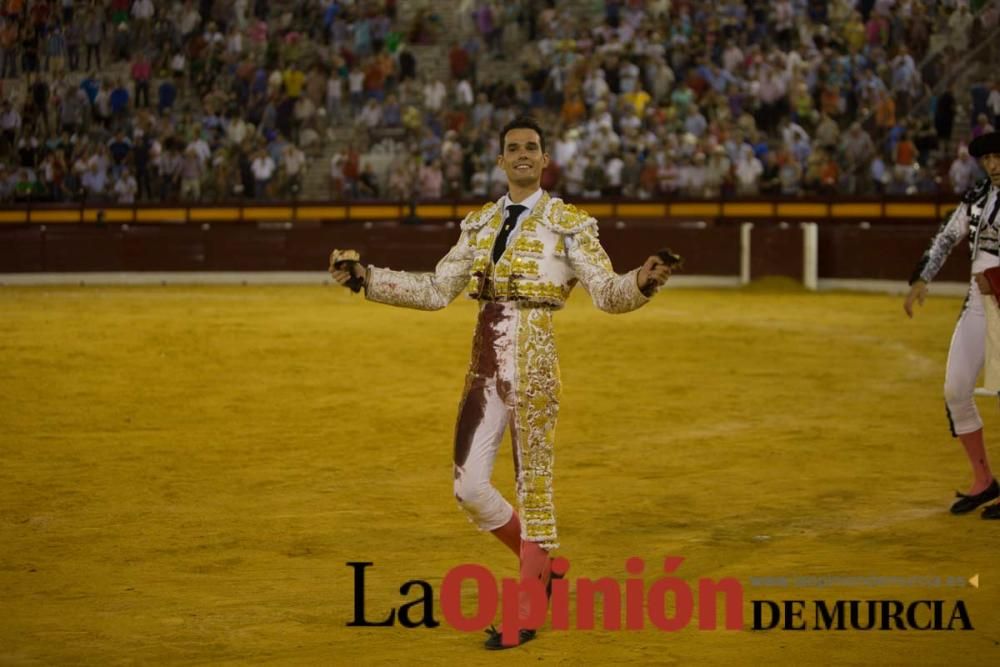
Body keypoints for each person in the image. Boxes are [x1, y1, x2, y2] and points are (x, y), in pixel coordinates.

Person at [329, 117, 672, 648]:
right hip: (484, 356)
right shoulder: (481, 223)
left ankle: (528, 611)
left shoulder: (568, 223)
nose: (522, 155)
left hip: (535, 358)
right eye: (512, 148)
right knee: (468, 488)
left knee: (534, 486)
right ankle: (544, 568)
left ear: (545, 159)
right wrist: (368, 279)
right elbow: (438, 289)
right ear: (500, 160)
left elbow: (606, 293)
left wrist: (642, 282)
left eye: (532, 148)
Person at [904, 131, 1000, 519]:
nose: (993, 164)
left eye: (999, 157)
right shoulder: (978, 196)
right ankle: (984, 480)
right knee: (956, 387)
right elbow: (946, 237)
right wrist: (922, 277)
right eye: (987, 158)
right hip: (980, 304)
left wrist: (996, 279)